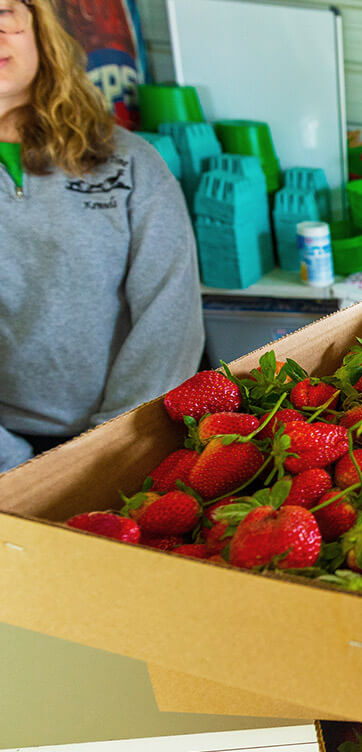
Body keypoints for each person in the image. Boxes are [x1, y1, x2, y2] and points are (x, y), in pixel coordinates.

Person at [0, 0, 204, 472]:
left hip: (124, 439)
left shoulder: (129, 163)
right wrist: (14, 470)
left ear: (38, 24)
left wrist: (109, 449)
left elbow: (168, 318)